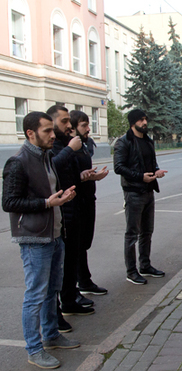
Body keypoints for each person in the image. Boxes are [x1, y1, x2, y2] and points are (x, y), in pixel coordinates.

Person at [2, 111, 80, 369]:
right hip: (34, 238)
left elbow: (49, 192)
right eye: (47, 130)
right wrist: (47, 202)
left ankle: (51, 336)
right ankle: (34, 349)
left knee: (51, 290)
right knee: (35, 294)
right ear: (30, 133)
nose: (53, 134)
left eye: (51, 129)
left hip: (54, 234)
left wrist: (62, 195)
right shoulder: (18, 162)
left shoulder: (46, 156)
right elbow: (9, 203)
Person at [48, 105, 95, 329]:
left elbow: (68, 175)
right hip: (59, 214)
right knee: (58, 266)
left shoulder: (65, 145)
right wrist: (69, 150)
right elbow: (52, 171)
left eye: (69, 122)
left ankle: (70, 299)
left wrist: (84, 176)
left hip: (73, 208)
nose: (69, 126)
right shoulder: (55, 147)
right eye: (64, 122)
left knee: (71, 259)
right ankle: (57, 313)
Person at [114, 109, 167, 285]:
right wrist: (140, 176)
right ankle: (131, 271)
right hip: (133, 192)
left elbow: (151, 162)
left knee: (147, 232)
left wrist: (157, 171)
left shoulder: (147, 141)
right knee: (132, 234)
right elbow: (119, 167)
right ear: (133, 123)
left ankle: (145, 265)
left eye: (145, 119)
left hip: (148, 191)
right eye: (141, 120)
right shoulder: (124, 142)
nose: (145, 122)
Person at [70, 110, 109, 297]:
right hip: (76, 202)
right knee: (76, 245)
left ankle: (84, 281)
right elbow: (68, 176)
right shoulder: (69, 149)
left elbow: (82, 172)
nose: (88, 128)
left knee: (84, 243)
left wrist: (93, 176)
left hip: (87, 199)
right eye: (84, 125)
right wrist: (84, 177)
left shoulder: (84, 146)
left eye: (88, 124)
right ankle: (79, 283)